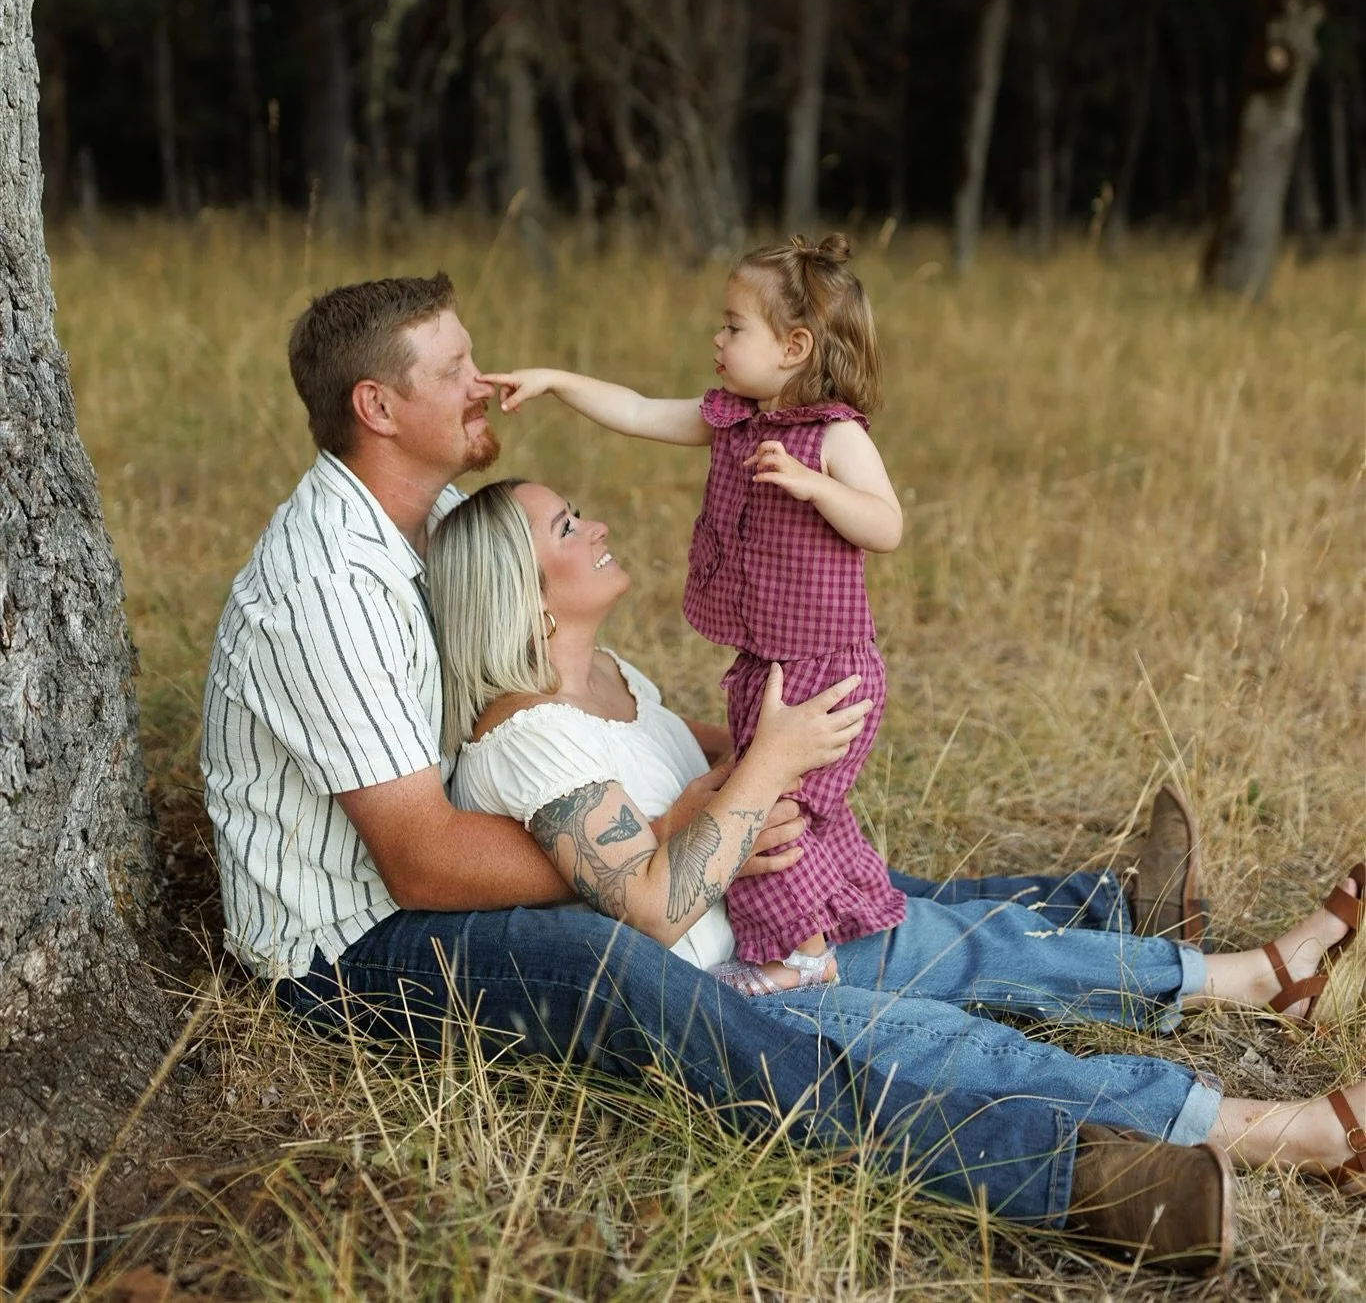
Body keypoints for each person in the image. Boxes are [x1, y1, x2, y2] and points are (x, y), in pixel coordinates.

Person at [199, 271, 1363, 1276]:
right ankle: (1077, 1174)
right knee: (642, 974)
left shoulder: (440, 514)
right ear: (378, 405)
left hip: (526, 847)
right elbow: (421, 858)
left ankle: (1118, 919)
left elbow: (612, 737)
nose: (482, 380)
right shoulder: (328, 584)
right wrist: (684, 830)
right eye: (455, 369)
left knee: (821, 883)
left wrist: (740, 785)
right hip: (357, 945)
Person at [426, 476, 1364, 1222]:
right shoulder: (523, 736)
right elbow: (655, 908)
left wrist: (775, 751)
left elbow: (696, 769)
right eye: (566, 527)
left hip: (776, 925)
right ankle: (1293, 1135)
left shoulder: (609, 676)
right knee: (971, 1053)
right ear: (524, 595)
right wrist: (770, 764)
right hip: (737, 995)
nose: (594, 525)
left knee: (979, 941)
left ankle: (1256, 977)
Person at [487, 233, 903, 994]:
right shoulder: (732, 419)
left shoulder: (834, 436)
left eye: (734, 326)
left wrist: (815, 486)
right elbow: (637, 410)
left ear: (794, 347)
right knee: (770, 803)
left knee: (774, 807)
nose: (717, 339)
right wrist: (555, 379)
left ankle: (800, 958)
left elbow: (887, 525)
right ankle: (832, 927)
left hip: (827, 670)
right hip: (766, 662)